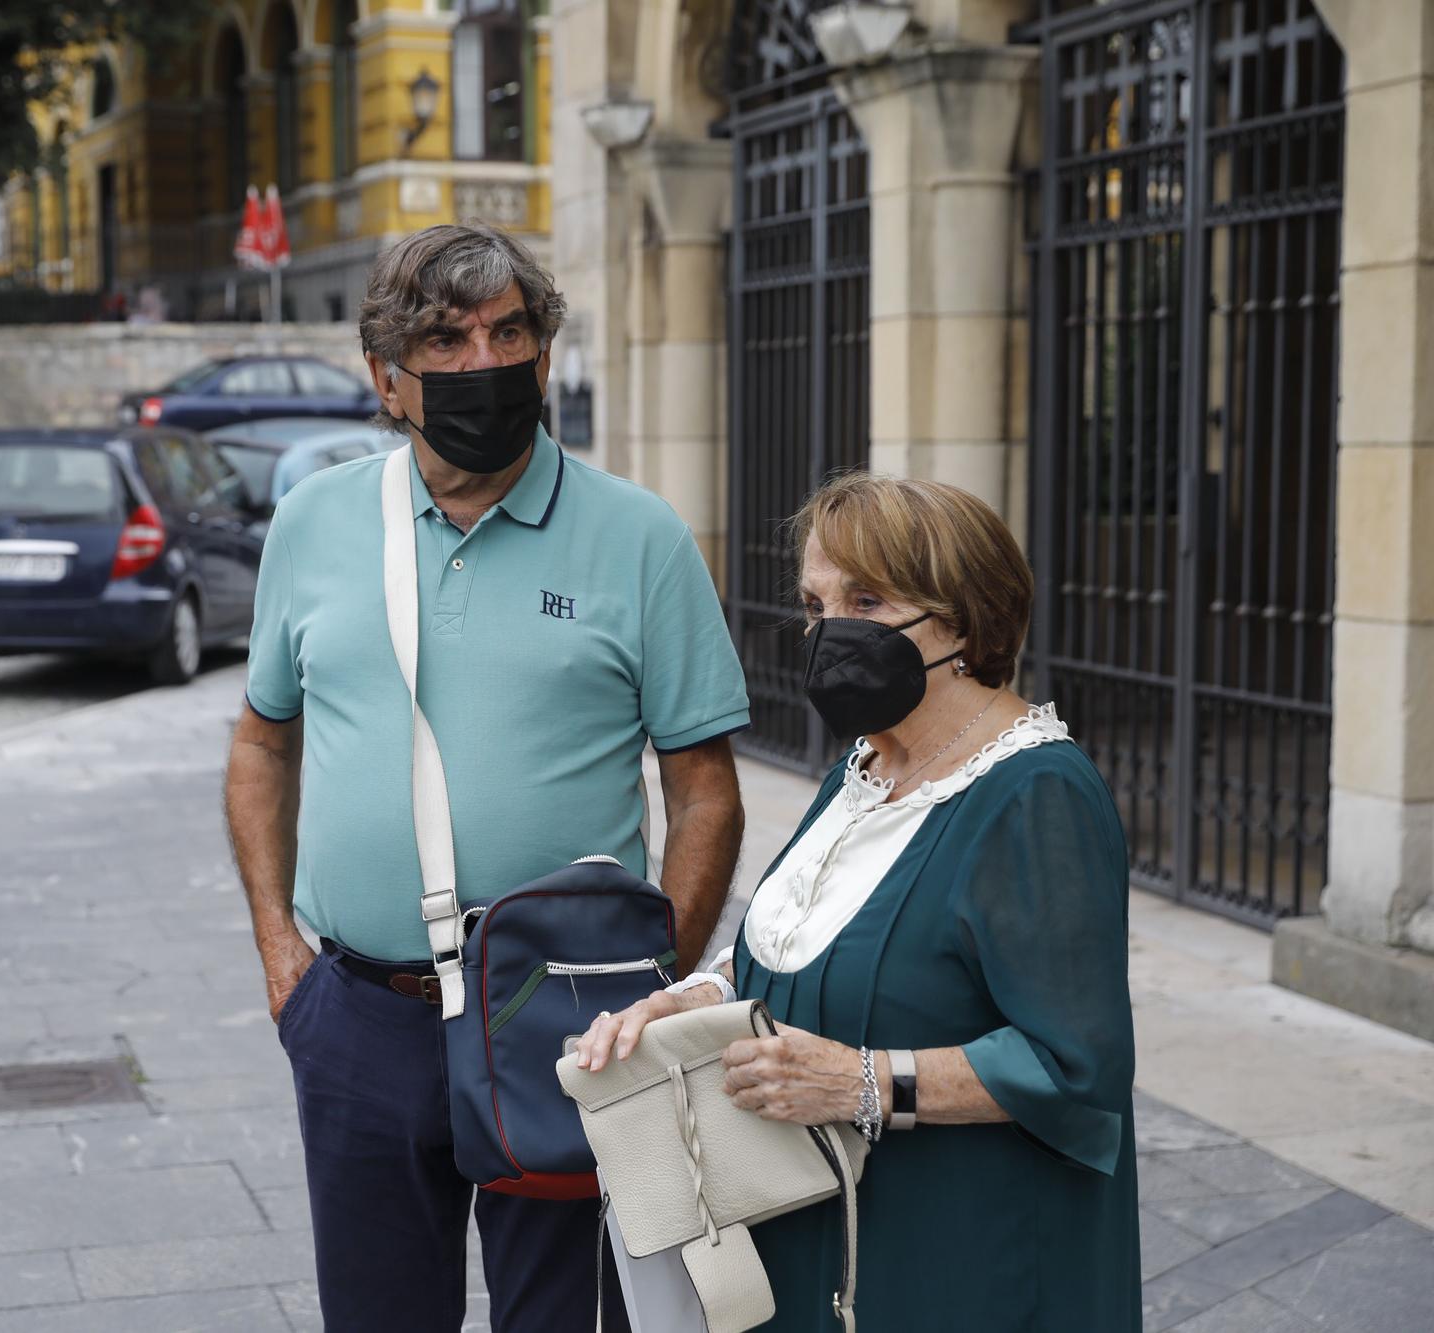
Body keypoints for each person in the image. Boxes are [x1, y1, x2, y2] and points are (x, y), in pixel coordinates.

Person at [225, 222, 750, 1331]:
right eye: (445, 340)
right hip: (362, 1011)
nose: (483, 365)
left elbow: (704, 790)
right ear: (385, 380)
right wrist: (283, 957)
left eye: (508, 331)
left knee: (564, 1319)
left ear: (545, 352)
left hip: (565, 1016)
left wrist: (653, 992)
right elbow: (261, 740)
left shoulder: (640, 537)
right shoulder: (317, 520)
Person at [573, 472, 1140, 1332]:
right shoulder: (863, 769)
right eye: (815, 602)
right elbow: (800, 933)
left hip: (961, 1255)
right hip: (827, 1237)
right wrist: (695, 996)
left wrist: (859, 1080)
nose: (829, 629)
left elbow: (1076, 1065)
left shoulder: (1034, 793)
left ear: (962, 616)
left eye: (867, 599)